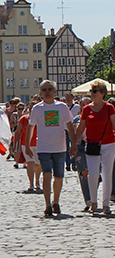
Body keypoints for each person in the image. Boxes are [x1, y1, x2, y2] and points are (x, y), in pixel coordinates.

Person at [70, 80, 115, 215]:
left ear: (102, 93)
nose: (92, 94)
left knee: (107, 173)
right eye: (91, 91)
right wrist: (74, 144)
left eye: (95, 91)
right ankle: (93, 202)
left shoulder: (109, 108)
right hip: (92, 145)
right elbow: (80, 129)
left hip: (109, 144)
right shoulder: (86, 109)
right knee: (93, 174)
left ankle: (106, 204)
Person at [25, 80, 76, 216]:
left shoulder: (62, 107)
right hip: (43, 147)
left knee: (59, 176)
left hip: (60, 147)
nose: (47, 92)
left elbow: (70, 126)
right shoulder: (37, 109)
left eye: (50, 89)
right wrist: (28, 145)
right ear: (41, 92)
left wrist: (74, 144)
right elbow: (31, 127)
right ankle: (47, 204)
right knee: (46, 175)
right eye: (44, 90)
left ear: (55, 91)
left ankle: (56, 201)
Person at [17, 102, 40, 194]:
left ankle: (37, 182)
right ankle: (31, 184)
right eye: (30, 108)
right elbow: (18, 132)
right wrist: (16, 144)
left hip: (39, 144)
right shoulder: (24, 119)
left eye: (33, 108)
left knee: (38, 164)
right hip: (26, 144)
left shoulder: (41, 119)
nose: (31, 109)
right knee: (30, 163)